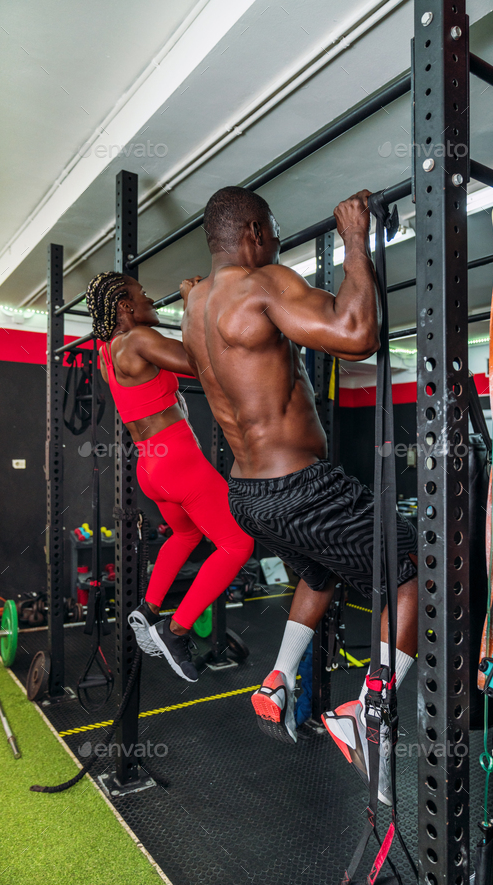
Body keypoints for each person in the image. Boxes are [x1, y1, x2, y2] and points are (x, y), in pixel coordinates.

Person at [179, 186, 418, 803]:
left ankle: (278, 680)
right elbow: (357, 331)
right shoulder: (261, 283)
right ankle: (367, 716)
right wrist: (356, 241)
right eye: (275, 231)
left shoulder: (196, 304)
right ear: (255, 233)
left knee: (321, 572)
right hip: (300, 488)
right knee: (419, 569)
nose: (279, 243)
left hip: (248, 494)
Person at [85, 272, 254, 683]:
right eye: (144, 297)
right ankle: (175, 630)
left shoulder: (107, 355)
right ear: (126, 307)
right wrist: (195, 303)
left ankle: (149, 607)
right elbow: (203, 364)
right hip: (179, 462)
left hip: (150, 466)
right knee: (238, 542)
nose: (152, 303)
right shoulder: (138, 339)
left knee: (186, 535)